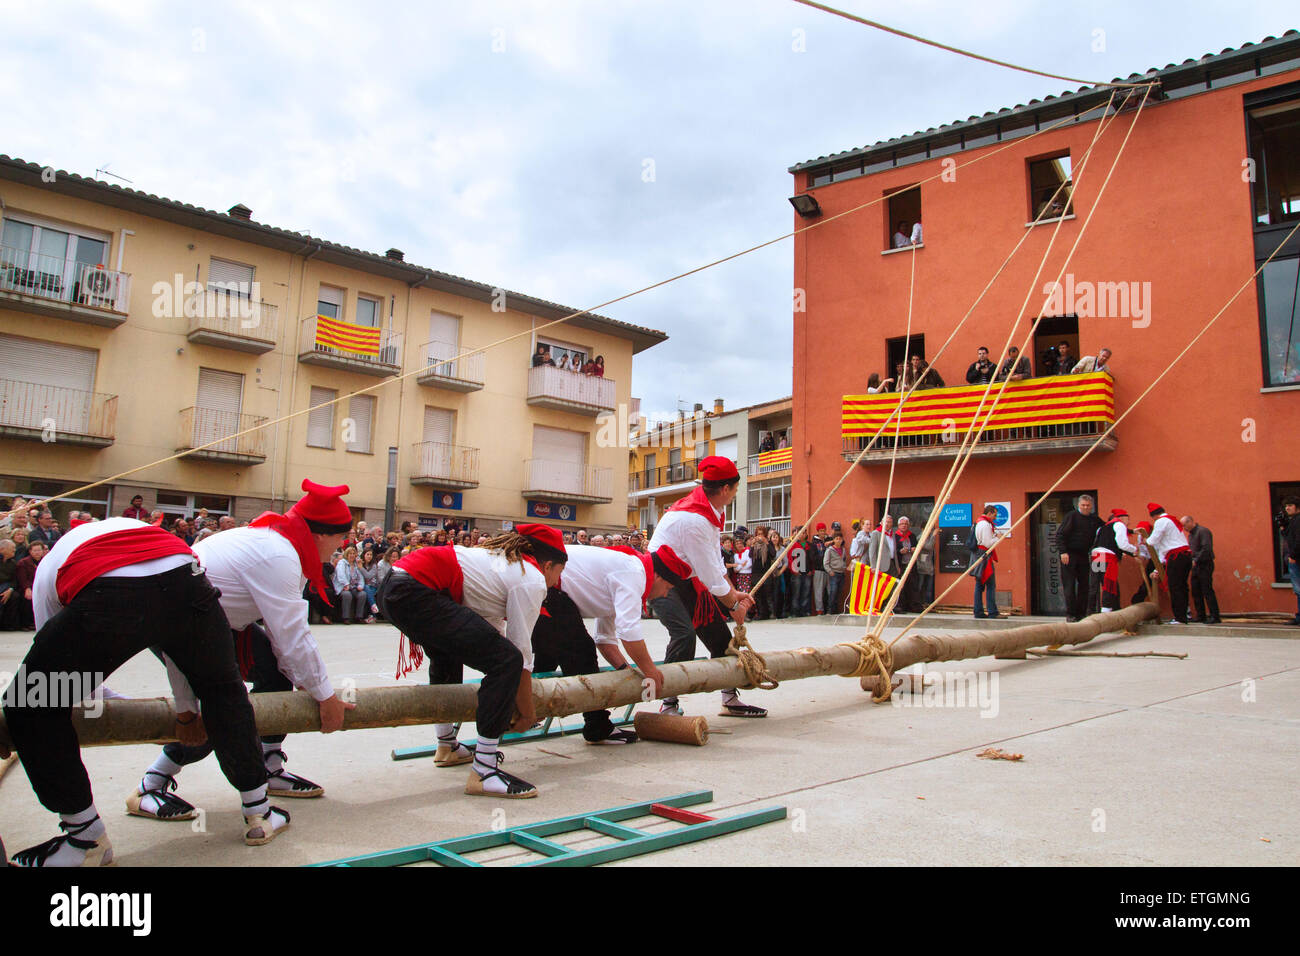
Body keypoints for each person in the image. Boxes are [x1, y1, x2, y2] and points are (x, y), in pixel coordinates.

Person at [3, 517, 290, 866]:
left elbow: (65, 679)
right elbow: (178, 647)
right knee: (224, 692)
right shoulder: (125, 531)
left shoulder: (51, 564)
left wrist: (32, 723)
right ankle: (259, 813)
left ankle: (85, 839)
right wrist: (187, 711)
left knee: (34, 701)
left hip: (114, 583)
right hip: (186, 575)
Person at [125, 480, 358, 822]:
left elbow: (285, 644)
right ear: (321, 535)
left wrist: (315, 687)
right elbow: (293, 637)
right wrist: (325, 697)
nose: (342, 547)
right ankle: (151, 784)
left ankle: (269, 765)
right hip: (179, 625)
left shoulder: (282, 543)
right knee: (220, 712)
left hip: (220, 623)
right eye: (341, 539)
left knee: (276, 677)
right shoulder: (280, 554)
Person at [376, 525, 565, 798]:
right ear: (548, 565)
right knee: (506, 662)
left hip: (396, 587)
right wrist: (527, 712)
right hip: (412, 589)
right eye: (559, 573)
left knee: (450, 652)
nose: (558, 581)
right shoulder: (530, 578)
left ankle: (447, 746)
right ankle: (484, 770)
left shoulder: (502, 565)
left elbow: (491, 634)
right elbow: (520, 654)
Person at [530, 543, 685, 744]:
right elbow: (628, 631)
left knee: (550, 655)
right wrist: (650, 671)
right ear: (658, 577)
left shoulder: (628, 572)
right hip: (544, 585)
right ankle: (596, 725)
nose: (665, 594)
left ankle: (522, 713)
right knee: (580, 650)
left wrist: (627, 670)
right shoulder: (634, 574)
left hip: (547, 589)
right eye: (668, 588)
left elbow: (605, 640)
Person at [648, 457, 761, 718]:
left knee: (722, 639)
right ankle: (668, 703)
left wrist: (734, 594)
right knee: (684, 635)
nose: (734, 496)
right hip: (659, 581)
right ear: (725, 489)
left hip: (687, 580)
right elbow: (711, 578)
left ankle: (729, 698)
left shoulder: (710, 510)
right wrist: (734, 605)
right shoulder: (694, 519)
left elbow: (716, 563)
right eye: (734, 490)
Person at [1056, 494, 1102, 622]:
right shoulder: (1072, 516)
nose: (1085, 508)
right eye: (1083, 505)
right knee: (1069, 586)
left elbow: (1107, 527)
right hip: (1069, 555)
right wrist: (1063, 552)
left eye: (1088, 505)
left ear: (1091, 506)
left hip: (1083, 555)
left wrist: (1129, 531)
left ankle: (1081, 613)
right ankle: (1071, 614)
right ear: (1079, 505)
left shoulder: (1094, 519)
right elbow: (1060, 535)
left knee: (1084, 585)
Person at [1145, 503, 1193, 625]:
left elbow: (1154, 541)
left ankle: (1180, 618)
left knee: (1175, 587)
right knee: (1182, 587)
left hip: (1176, 557)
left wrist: (1146, 540)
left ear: (1154, 516)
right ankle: (1184, 615)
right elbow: (1163, 550)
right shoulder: (1173, 521)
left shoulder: (1161, 522)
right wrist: (1157, 570)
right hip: (1185, 556)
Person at [1088, 508, 1138, 614]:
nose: (1128, 523)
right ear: (1123, 518)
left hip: (1097, 555)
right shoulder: (1120, 525)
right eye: (1128, 520)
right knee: (1109, 582)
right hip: (1107, 556)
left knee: (1095, 583)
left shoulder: (1103, 527)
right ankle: (1106, 610)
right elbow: (1122, 544)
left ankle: (1091, 610)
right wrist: (1134, 550)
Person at [1181, 515, 1220, 624]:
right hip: (1196, 565)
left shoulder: (1203, 531)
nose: (1184, 528)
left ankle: (1215, 616)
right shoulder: (1191, 535)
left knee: (1207, 590)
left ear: (1190, 522)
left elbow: (1206, 548)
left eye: (1184, 525)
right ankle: (1201, 615)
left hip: (1204, 564)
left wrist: (1196, 559)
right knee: (1196, 591)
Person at [971, 506, 1001, 619]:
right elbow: (988, 543)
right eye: (994, 515)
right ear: (989, 513)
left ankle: (978, 611)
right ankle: (992, 611)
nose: (995, 517)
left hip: (979, 554)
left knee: (979, 584)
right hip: (984, 555)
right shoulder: (985, 524)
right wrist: (997, 538)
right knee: (990, 584)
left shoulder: (979, 522)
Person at [14, 540, 47, 630]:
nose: (37, 553)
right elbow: (22, 579)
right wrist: (27, 588)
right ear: (30, 551)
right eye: (35, 550)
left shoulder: (45, 561)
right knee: (27, 597)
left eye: (39, 550)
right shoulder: (23, 563)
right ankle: (26, 623)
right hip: (27, 587)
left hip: (41, 587)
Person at [332, 546, 369, 623]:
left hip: (354, 587)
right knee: (347, 595)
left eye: (353, 554)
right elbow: (341, 575)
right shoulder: (342, 563)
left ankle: (359, 617)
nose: (352, 555)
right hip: (342, 587)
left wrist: (360, 586)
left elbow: (361, 577)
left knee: (362, 594)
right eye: (350, 554)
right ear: (346, 554)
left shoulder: (356, 564)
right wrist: (346, 584)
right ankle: (346, 617)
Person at [893, 516, 921, 613]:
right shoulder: (894, 536)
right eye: (902, 524)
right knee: (900, 586)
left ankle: (913, 606)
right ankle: (900, 606)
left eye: (905, 524)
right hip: (900, 565)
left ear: (908, 525)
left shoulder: (912, 536)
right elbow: (892, 551)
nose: (904, 526)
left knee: (912, 586)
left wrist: (914, 549)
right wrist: (899, 551)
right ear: (898, 526)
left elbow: (917, 547)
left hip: (911, 564)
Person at [1280, 496, 1300, 625]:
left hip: (1297, 560)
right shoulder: (1294, 521)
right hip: (1295, 559)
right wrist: (1283, 527)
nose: (1287, 508)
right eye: (1286, 506)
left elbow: (1298, 540)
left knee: (1299, 590)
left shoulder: (1298, 521)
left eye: (1290, 505)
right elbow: (1289, 536)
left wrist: (1293, 555)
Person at [823, 531, 848, 614]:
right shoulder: (829, 550)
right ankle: (830, 611)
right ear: (833, 540)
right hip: (834, 573)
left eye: (840, 539)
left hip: (841, 573)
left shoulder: (843, 550)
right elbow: (825, 562)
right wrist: (830, 571)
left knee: (839, 593)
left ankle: (836, 611)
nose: (838, 540)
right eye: (836, 539)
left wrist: (844, 568)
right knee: (833, 592)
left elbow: (844, 560)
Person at [809, 523, 829, 614]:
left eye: (824, 530)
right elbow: (813, 557)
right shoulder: (814, 543)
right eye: (821, 531)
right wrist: (824, 560)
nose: (823, 532)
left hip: (828, 570)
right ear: (818, 531)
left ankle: (828, 609)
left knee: (829, 591)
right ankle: (819, 610)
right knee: (818, 591)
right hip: (818, 569)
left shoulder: (829, 540)